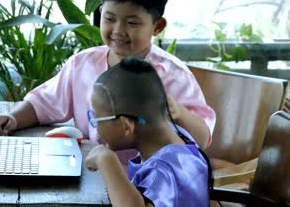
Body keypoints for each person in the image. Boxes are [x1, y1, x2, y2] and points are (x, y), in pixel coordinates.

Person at [0, 0, 215, 152]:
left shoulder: (173, 74)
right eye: (109, 18)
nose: (118, 30)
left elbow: (202, 139)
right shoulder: (82, 64)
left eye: (132, 22)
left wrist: (176, 111)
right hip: (93, 171)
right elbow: (43, 102)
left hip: (148, 184)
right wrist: (13, 118)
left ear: (157, 26)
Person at [85, 56, 211, 207]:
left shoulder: (165, 171)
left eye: (96, 118)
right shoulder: (180, 138)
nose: (95, 125)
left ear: (126, 126)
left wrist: (106, 159)